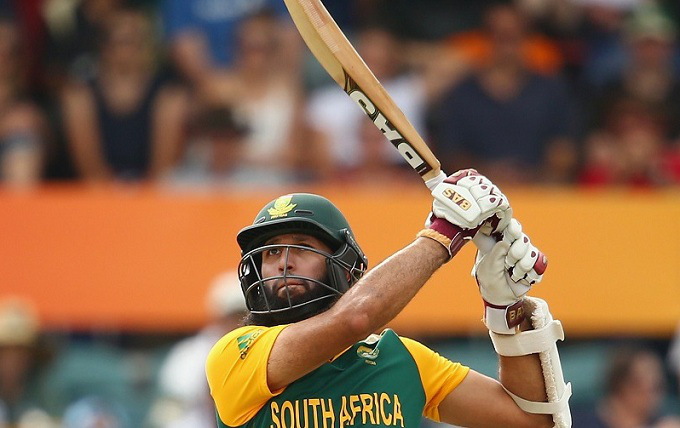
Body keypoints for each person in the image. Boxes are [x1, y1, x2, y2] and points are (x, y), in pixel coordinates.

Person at [206, 169, 572, 427]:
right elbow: (355, 319)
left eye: (302, 247)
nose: (284, 262)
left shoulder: (402, 360)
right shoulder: (236, 353)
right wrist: (443, 233)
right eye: (270, 253)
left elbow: (528, 420)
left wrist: (502, 305)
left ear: (345, 265)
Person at [149, 271, 247, 428]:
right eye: (232, 316)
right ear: (219, 317)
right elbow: (170, 409)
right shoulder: (188, 354)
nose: (237, 322)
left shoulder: (261, 346)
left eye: (243, 315)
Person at [573, 347, 680, 428]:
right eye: (651, 386)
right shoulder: (578, 422)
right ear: (623, 387)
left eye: (659, 386)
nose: (656, 395)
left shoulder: (664, 422)